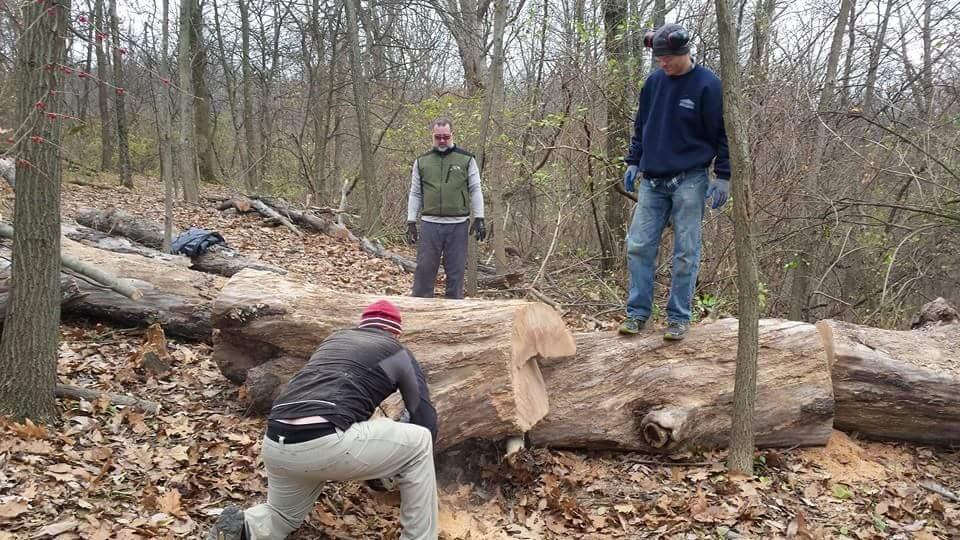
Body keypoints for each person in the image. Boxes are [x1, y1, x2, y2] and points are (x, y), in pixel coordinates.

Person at [208, 300, 439, 540]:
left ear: (362, 325)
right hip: (324, 443)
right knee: (420, 441)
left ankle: (246, 528)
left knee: (282, 515)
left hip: (276, 442)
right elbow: (425, 418)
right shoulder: (397, 352)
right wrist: (394, 467)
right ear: (395, 333)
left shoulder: (334, 340)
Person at [619, 23, 730, 340]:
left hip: (690, 180)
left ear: (683, 51)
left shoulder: (708, 86)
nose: (662, 63)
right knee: (638, 246)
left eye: (666, 58)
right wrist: (633, 161)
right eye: (658, 58)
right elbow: (641, 126)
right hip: (652, 181)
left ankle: (678, 319)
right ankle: (637, 314)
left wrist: (723, 175)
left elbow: (724, 135)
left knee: (686, 252)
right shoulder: (653, 83)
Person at [406, 117, 486, 299]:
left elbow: (475, 189)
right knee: (424, 270)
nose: (442, 141)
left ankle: (454, 313)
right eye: (438, 137)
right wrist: (411, 221)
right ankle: (419, 310)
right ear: (432, 136)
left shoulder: (467, 159)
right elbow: (415, 193)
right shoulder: (422, 161)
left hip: (458, 225)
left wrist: (479, 217)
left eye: (446, 137)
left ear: (452, 135)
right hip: (430, 224)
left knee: (456, 272)